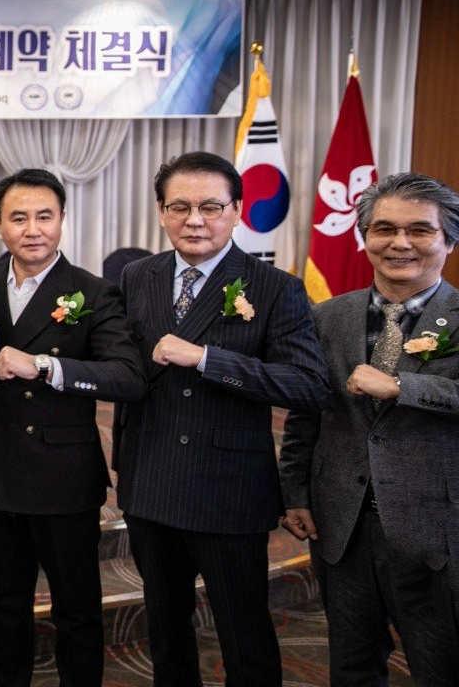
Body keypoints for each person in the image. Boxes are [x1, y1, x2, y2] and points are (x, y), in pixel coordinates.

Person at [112, 151, 328, 686]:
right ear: (161, 211)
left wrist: (208, 359)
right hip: (150, 480)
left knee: (243, 633)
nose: (195, 220)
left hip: (228, 489)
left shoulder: (275, 286)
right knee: (165, 630)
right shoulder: (137, 276)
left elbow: (307, 384)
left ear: (236, 211)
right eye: (179, 207)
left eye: (210, 207)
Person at [279, 172, 459, 686]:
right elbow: (306, 413)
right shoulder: (326, 316)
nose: (400, 243)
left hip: (438, 530)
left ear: (448, 241)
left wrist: (403, 387)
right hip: (343, 525)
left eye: (420, 230)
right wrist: (295, 492)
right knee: (352, 665)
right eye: (384, 229)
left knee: (441, 666)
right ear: (364, 238)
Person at [0, 169, 145, 687]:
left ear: (63, 219)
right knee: (7, 600)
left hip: (63, 476)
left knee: (76, 606)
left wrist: (46, 366)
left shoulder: (92, 291)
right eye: (18, 218)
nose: (32, 230)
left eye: (44, 216)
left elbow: (127, 377)